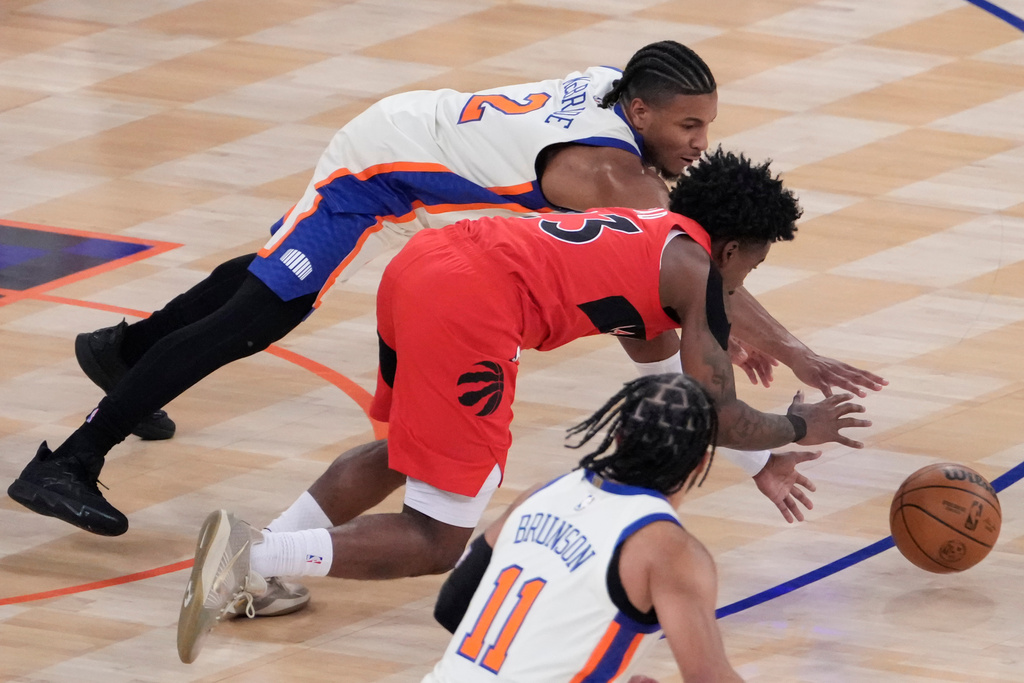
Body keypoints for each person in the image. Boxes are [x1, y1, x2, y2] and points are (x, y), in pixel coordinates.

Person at [7, 40, 884, 540]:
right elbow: (695, 274)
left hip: (410, 130)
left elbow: (694, 278)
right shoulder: (614, 176)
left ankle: (120, 350)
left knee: (269, 278)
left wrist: (753, 337)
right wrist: (791, 349)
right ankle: (68, 463)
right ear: (642, 113)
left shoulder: (616, 98)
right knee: (264, 313)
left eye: (709, 126)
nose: (698, 141)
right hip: (376, 168)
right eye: (689, 126)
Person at [173, 148, 865, 664]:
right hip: (471, 304)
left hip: (424, 264)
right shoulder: (699, 273)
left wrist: (764, 458)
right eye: (753, 265)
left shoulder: (649, 230)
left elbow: (672, 391)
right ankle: (252, 553)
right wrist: (805, 424)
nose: (745, 280)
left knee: (416, 447)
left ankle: (256, 574)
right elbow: (713, 409)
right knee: (438, 535)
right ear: (735, 246)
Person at [424, 373, 741, 683]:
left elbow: (453, 605)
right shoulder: (668, 548)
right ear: (701, 461)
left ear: (618, 437)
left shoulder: (540, 494)